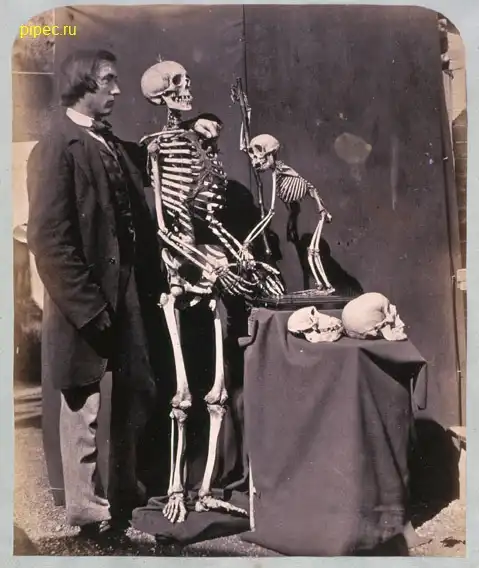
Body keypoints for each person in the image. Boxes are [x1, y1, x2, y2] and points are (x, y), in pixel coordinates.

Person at [26, 49, 221, 539]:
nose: (117, 89)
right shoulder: (56, 148)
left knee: (137, 397)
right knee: (84, 407)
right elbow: (49, 241)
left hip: (130, 296)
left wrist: (190, 130)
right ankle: (88, 516)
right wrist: (88, 307)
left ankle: (124, 498)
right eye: (108, 80)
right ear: (83, 85)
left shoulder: (110, 142)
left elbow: (148, 175)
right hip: (85, 302)